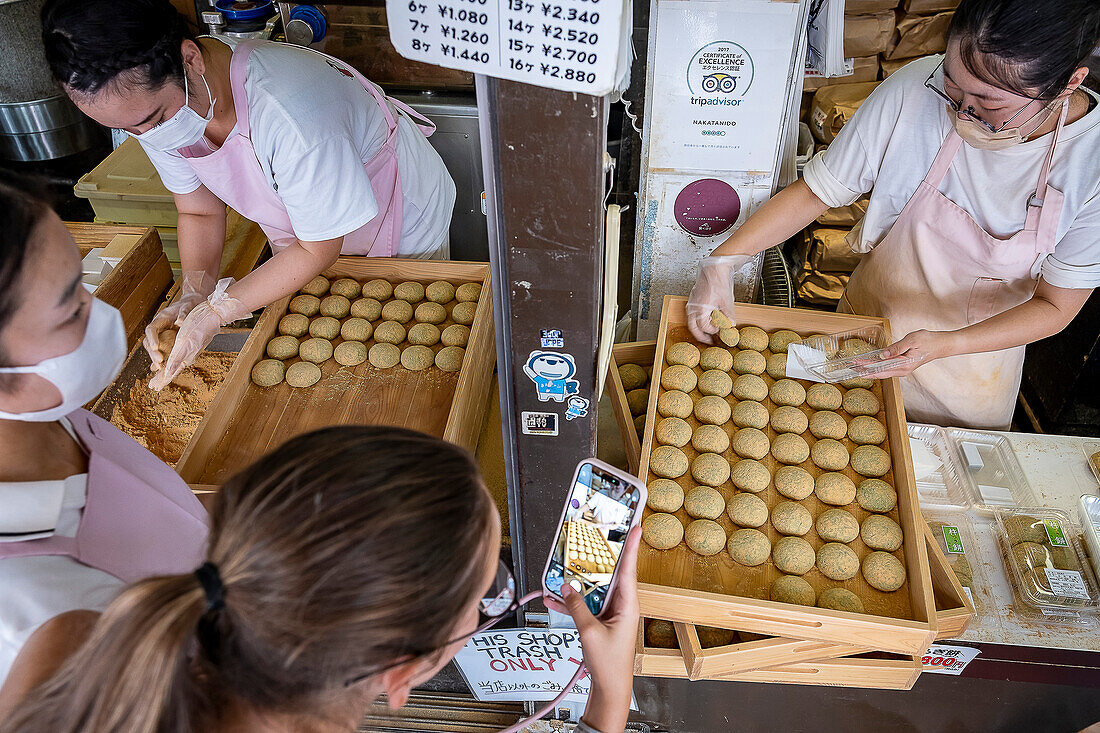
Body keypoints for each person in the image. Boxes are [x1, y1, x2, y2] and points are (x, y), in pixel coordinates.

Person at [0, 426, 640, 733]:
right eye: (481, 599)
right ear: (398, 675)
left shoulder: (69, 648)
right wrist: (610, 700)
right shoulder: (75, 643)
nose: (490, 603)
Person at [688, 0, 1100, 430]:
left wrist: (943, 344)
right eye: (953, 87)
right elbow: (816, 193)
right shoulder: (914, 88)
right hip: (856, 344)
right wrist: (722, 260)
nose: (962, 111)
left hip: (968, 380)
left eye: (988, 102)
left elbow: (1055, 305)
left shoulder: (1090, 164)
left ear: (1068, 83)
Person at [41, 0, 457, 389]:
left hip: (394, 213)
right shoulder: (155, 105)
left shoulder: (290, 114)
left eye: (154, 120)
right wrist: (196, 293)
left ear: (190, 59)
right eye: (131, 130)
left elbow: (317, 249)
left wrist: (220, 310)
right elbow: (199, 211)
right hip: (306, 233)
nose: (150, 137)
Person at [0, 179, 208, 687]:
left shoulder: (41, 412)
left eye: (84, 280)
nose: (103, 312)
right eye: (72, 309)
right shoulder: (40, 613)